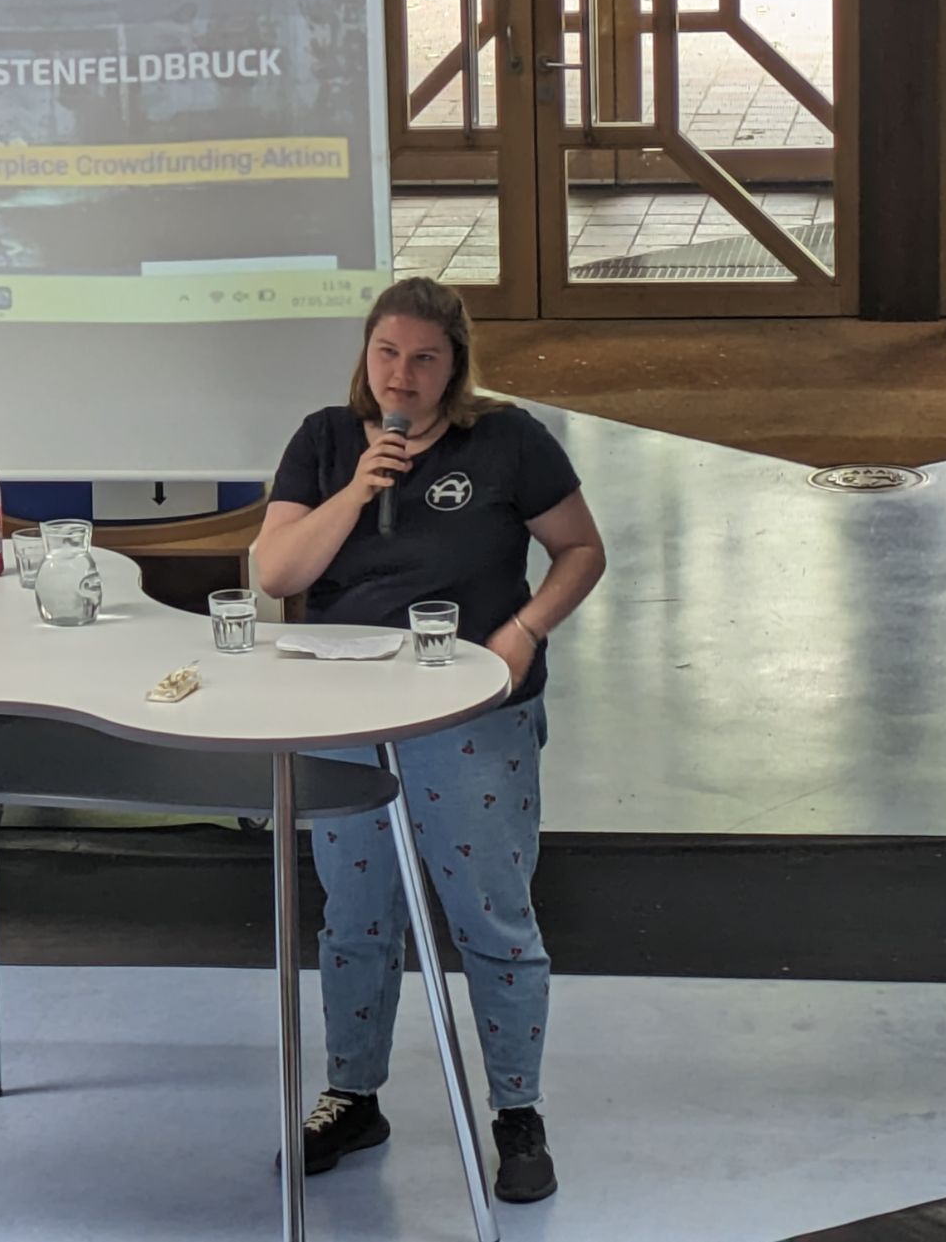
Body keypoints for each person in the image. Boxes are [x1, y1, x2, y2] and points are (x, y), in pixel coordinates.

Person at [252, 276, 606, 1203]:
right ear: (365, 357)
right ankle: (352, 1093)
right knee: (355, 916)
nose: (400, 376)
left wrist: (525, 629)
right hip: (346, 717)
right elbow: (277, 571)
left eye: (423, 359)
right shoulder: (326, 441)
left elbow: (581, 549)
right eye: (386, 354)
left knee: (490, 915)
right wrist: (356, 490)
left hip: (471, 715)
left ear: (455, 366)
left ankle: (516, 1111)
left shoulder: (508, 441)